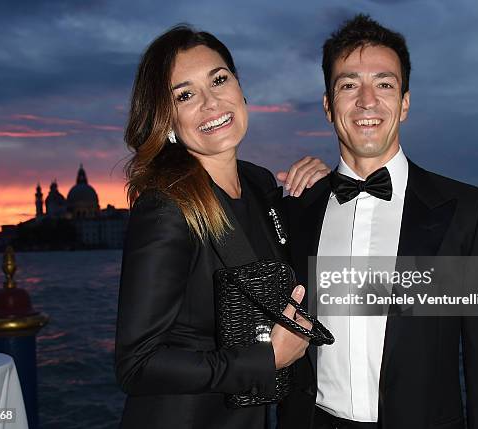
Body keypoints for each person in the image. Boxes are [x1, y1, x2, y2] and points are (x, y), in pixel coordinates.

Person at [277, 14, 478, 429]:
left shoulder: (467, 210)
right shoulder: (297, 208)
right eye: (349, 84)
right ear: (328, 105)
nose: (367, 101)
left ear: (404, 103)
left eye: (384, 84)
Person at [114, 25, 329, 429]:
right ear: (167, 119)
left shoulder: (260, 185)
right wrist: (267, 358)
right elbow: (136, 365)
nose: (212, 103)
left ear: (239, 87)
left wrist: (319, 193)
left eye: (219, 79)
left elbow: (289, 275)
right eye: (186, 95)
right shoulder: (166, 207)